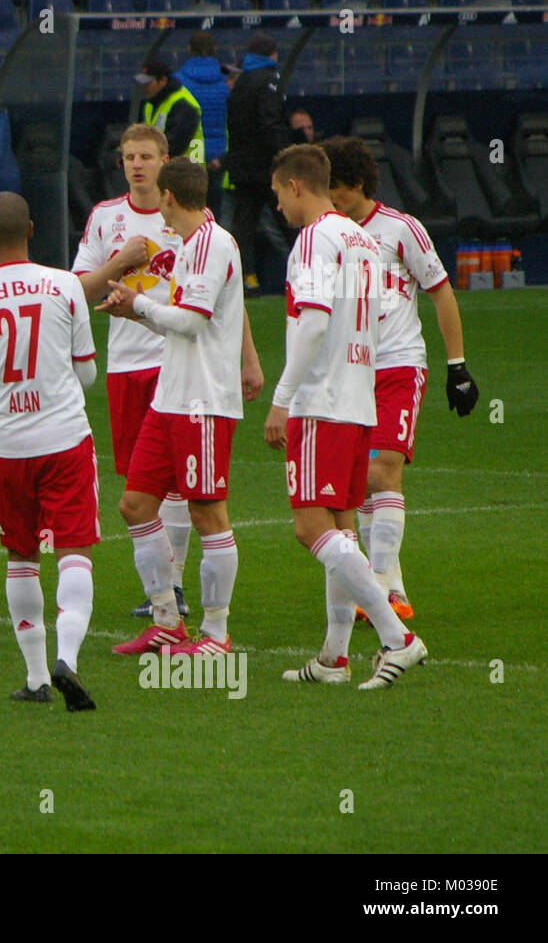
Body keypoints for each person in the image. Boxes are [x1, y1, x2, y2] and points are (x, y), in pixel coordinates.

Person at [72, 124, 263, 620]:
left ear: (165, 165)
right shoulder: (105, 217)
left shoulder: (201, 233)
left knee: (192, 495)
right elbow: (79, 292)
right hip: (129, 365)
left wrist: (249, 357)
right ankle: (167, 612)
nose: (136, 165)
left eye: (145, 156)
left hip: (184, 372)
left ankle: (182, 596)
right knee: (138, 493)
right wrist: (123, 265)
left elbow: (212, 310)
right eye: (128, 156)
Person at [263, 144, 427, 690]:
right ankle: (334, 656)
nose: (278, 209)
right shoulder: (359, 236)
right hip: (359, 399)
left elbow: (312, 321)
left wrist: (283, 399)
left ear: (294, 186)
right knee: (341, 525)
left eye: (277, 194)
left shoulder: (314, 238)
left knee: (310, 526)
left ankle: (397, 639)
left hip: (322, 402)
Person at [0, 192, 100, 711]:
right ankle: (69, 660)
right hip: (64, 439)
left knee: (21, 555)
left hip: (8, 445)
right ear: (33, 228)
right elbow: (86, 374)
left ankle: (36, 677)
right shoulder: (65, 286)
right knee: (74, 549)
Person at [319, 135, 479, 622]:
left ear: (360, 183)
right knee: (361, 485)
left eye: (340, 190)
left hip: (398, 365)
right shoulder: (329, 235)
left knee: (381, 471)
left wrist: (458, 368)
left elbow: (441, 292)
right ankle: (394, 590)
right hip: (352, 369)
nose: (334, 200)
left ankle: (381, 590)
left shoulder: (401, 230)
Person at [226, 31, 292, 298]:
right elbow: (270, 123)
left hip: (242, 167)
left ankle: (246, 280)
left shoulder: (239, 81)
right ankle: (307, 276)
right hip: (267, 167)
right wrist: (285, 156)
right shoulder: (269, 80)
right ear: (272, 55)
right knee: (290, 220)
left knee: (243, 226)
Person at [176, 30, 229, 214]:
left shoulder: (178, 81)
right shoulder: (226, 81)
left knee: (189, 209)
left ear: (189, 49)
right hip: (219, 155)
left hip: (190, 154)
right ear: (215, 49)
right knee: (216, 213)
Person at [135, 56, 203, 164]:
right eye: (142, 84)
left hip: (186, 173)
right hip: (164, 171)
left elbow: (174, 146)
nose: (144, 87)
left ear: (163, 81)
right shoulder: (151, 103)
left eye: (148, 83)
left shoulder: (183, 105)